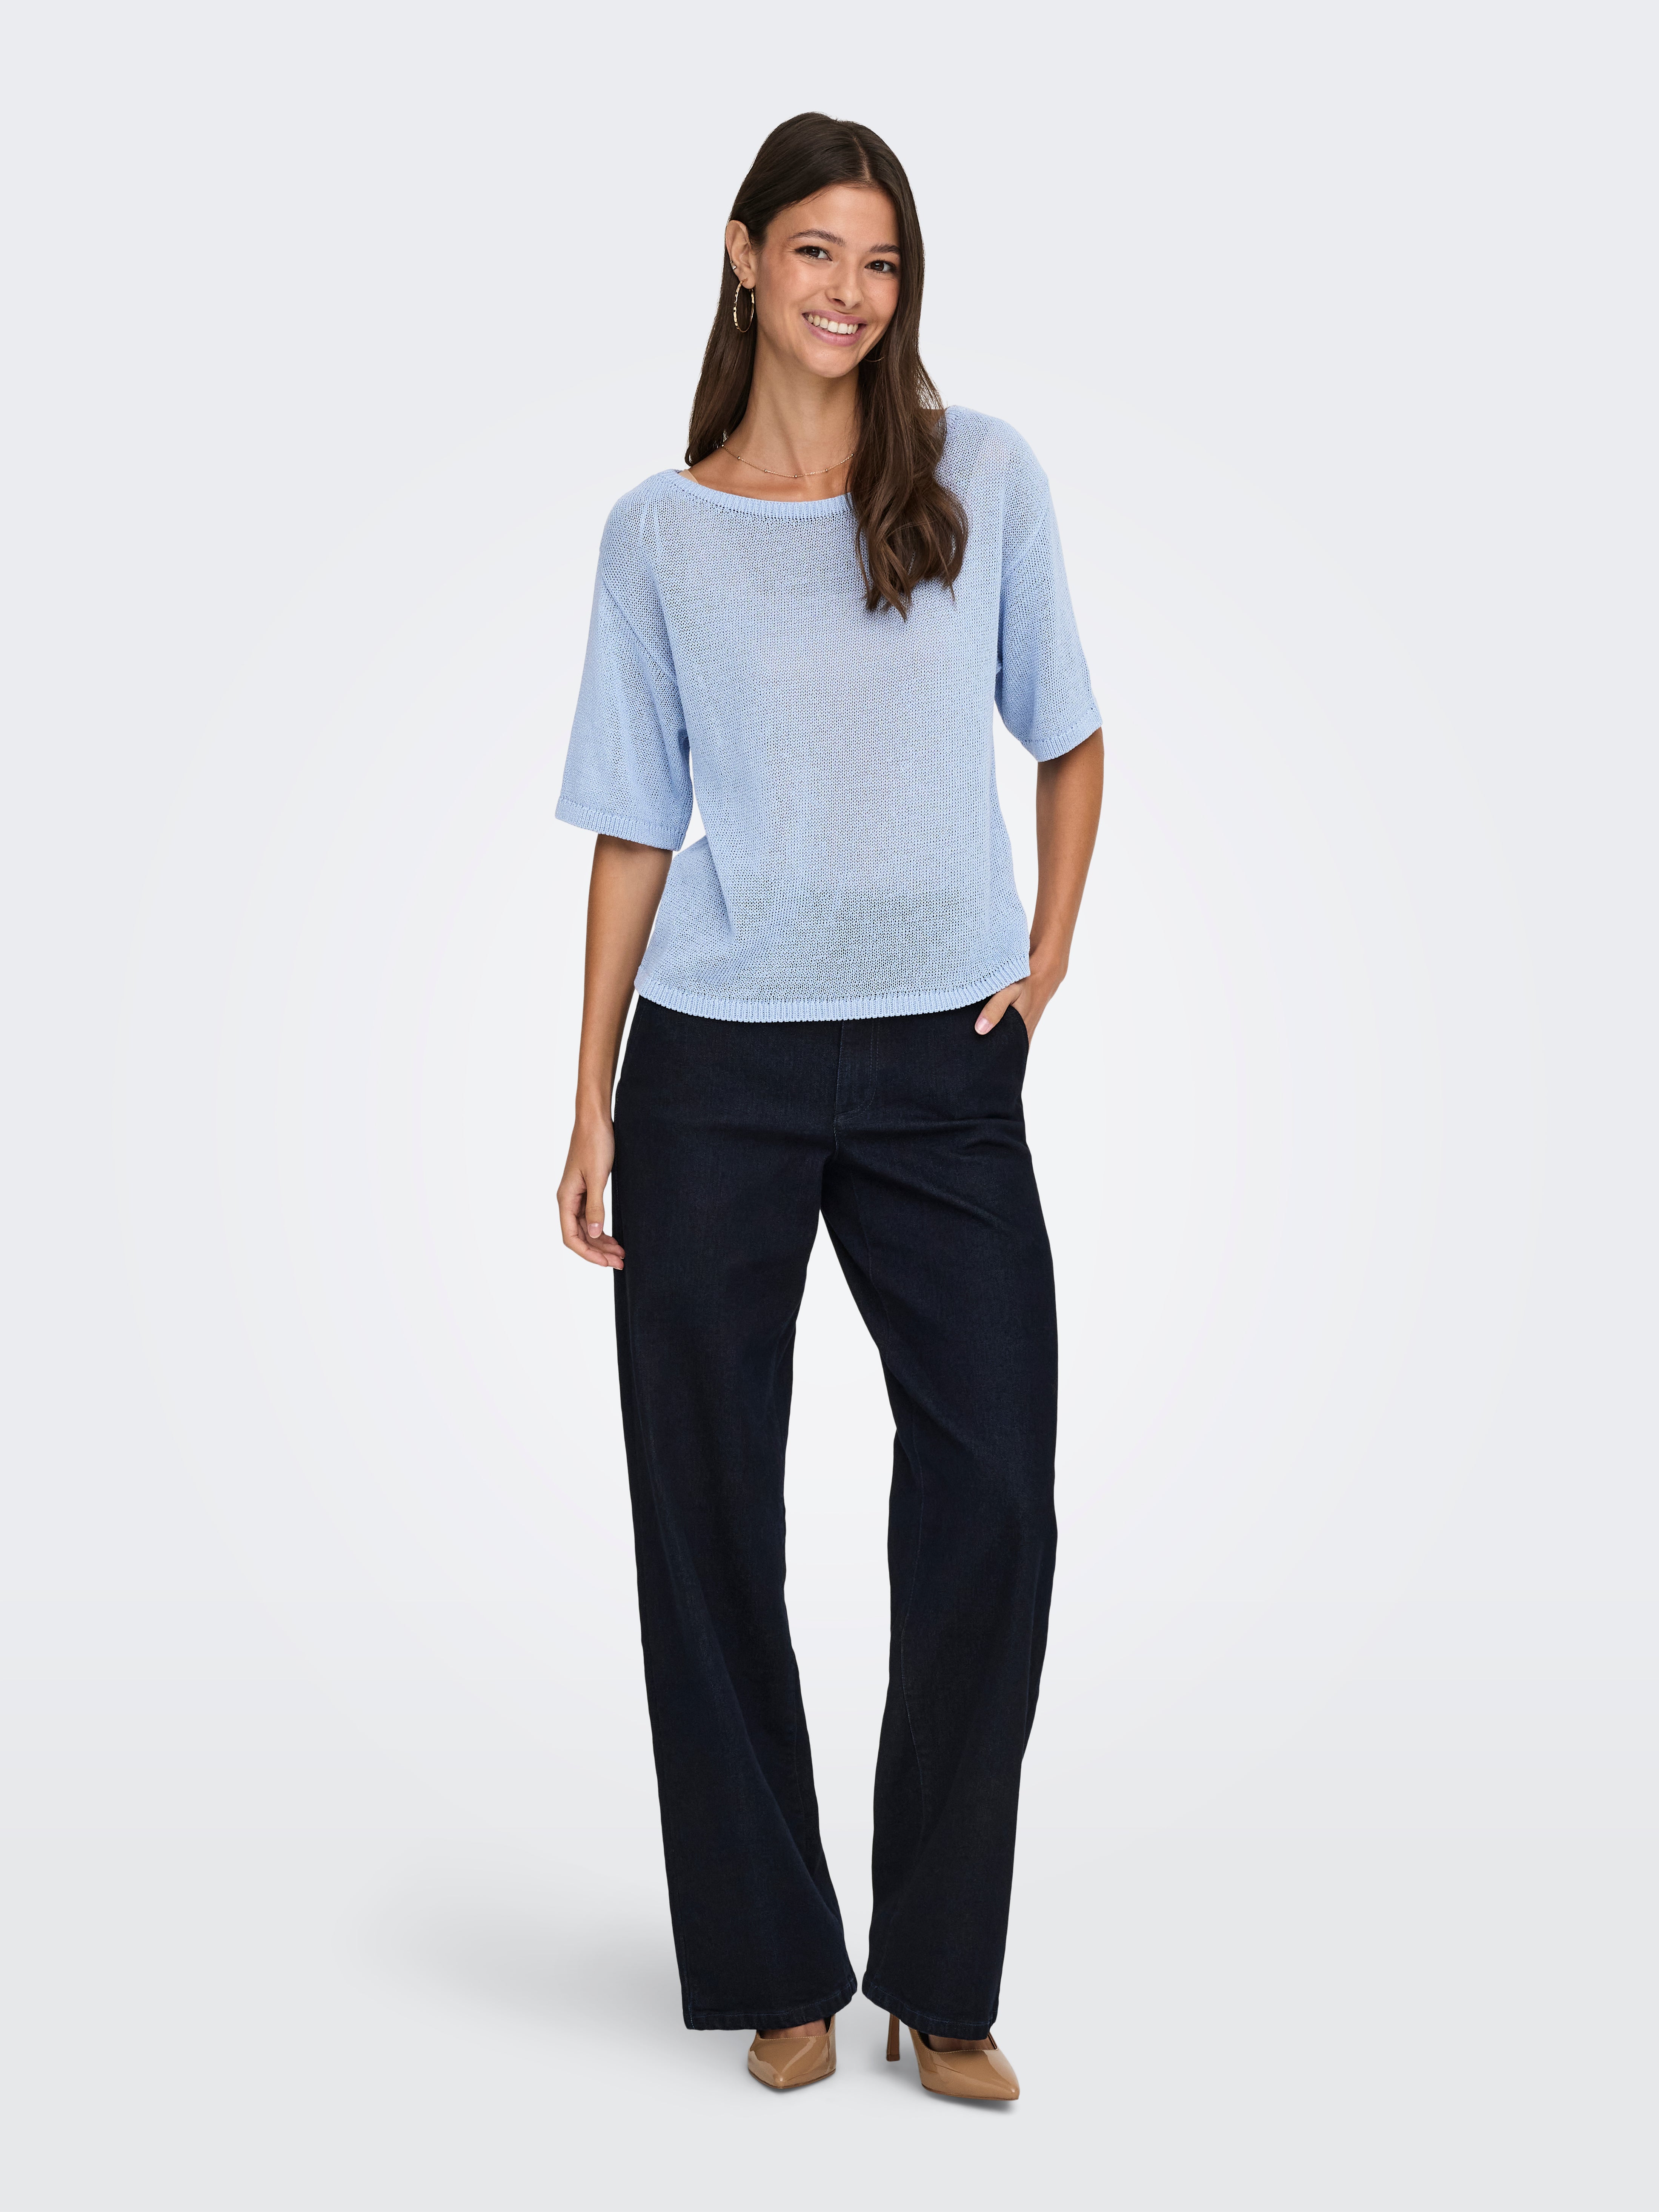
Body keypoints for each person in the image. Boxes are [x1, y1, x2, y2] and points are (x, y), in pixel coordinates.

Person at [555, 112, 1102, 2102]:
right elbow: (634, 822)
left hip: (946, 1067)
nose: (849, 295)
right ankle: (777, 1958)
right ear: (743, 256)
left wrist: (1046, 960)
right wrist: (591, 1095)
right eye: (815, 254)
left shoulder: (980, 476)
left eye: (880, 263)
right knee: (705, 1506)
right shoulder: (660, 532)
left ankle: (941, 1979)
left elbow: (1072, 729)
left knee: (997, 1498)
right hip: (716, 1063)